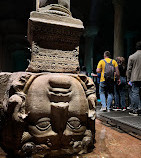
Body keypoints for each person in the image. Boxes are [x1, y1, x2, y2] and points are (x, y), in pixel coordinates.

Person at [127, 41, 141, 116]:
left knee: (135, 93)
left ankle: (135, 109)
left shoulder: (132, 56)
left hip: (135, 77)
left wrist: (128, 79)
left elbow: (129, 69)